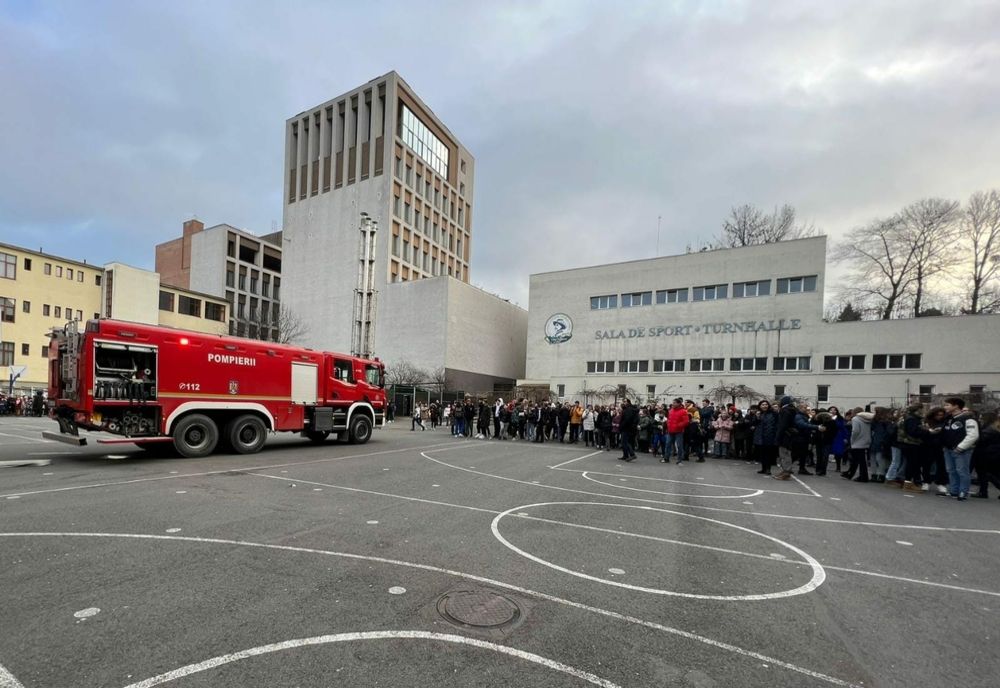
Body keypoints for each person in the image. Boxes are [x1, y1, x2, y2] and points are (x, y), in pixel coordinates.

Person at [940, 397, 979, 500]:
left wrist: (961, 447)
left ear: (956, 406)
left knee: (962, 471)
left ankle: (963, 492)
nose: (945, 407)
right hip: (947, 449)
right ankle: (954, 490)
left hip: (961, 451)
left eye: (947, 405)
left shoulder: (968, 419)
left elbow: (973, 435)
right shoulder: (948, 418)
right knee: (951, 471)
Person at [774, 396, 821, 480]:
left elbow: (782, 426)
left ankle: (786, 472)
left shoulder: (785, 410)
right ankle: (785, 471)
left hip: (785, 435)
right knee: (786, 454)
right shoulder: (792, 410)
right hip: (790, 435)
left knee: (784, 454)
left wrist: (778, 437)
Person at [972, 412, 1000, 499]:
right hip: (993, 453)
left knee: (985, 474)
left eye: (981, 418)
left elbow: (980, 440)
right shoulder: (994, 427)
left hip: (985, 454)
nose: (980, 420)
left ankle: (983, 492)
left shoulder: (988, 429)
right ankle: (983, 492)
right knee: (991, 474)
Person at [842, 407, 874, 482]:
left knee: (858, 460)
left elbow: (855, 431)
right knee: (860, 459)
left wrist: (852, 440)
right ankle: (851, 474)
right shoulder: (868, 420)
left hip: (857, 441)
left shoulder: (855, 419)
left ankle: (862, 477)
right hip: (866, 440)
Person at [752, 399, 779, 475]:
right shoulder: (758, 414)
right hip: (760, 436)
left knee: (768, 453)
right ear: (760, 406)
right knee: (762, 453)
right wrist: (757, 417)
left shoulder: (773, 414)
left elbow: (777, 424)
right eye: (763, 405)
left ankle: (768, 469)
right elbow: (753, 423)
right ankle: (763, 468)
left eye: (766, 404)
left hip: (769, 436)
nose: (764, 406)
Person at [662, 398, 689, 465]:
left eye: (674, 403)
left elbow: (686, 421)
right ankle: (666, 458)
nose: (673, 404)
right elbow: (669, 419)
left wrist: (677, 425)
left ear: (678, 403)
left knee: (679, 446)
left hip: (679, 431)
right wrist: (668, 425)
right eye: (673, 402)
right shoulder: (671, 410)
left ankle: (679, 460)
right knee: (668, 444)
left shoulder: (683, 411)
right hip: (670, 430)